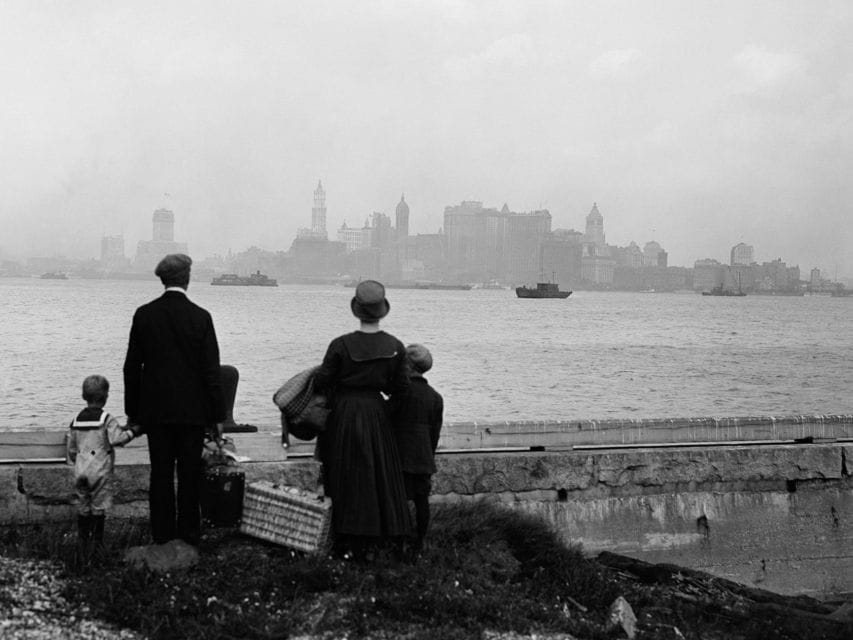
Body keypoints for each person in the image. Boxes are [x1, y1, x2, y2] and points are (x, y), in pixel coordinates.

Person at [123, 253, 225, 546]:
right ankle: (189, 536)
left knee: (161, 475)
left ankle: (162, 536)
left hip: (155, 412)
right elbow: (211, 372)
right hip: (193, 413)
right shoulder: (201, 317)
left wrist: (134, 412)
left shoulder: (144, 315)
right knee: (190, 475)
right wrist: (217, 416)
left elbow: (132, 368)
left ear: (163, 279)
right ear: (187, 278)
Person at [314, 279, 412, 559]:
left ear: (356, 310)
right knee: (379, 476)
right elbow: (402, 390)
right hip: (375, 412)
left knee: (343, 473)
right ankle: (379, 538)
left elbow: (322, 381)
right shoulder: (395, 345)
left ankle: (345, 537)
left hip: (343, 412)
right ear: (383, 311)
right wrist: (383, 413)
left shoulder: (341, 344)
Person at [67, 374, 135, 554]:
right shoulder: (106, 419)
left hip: (80, 470)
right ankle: (97, 545)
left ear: (84, 396)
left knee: (83, 505)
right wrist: (133, 431)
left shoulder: (76, 420)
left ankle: (83, 543)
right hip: (99, 471)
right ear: (105, 397)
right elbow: (117, 439)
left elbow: (72, 449)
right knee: (98, 508)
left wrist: (77, 461)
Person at [390, 344, 444, 555]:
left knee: (398, 500)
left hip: (400, 456)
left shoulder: (401, 391)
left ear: (408, 366)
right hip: (423, 458)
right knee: (422, 502)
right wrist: (428, 455)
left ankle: (398, 543)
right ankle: (420, 541)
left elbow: (388, 418)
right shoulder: (435, 397)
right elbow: (435, 433)